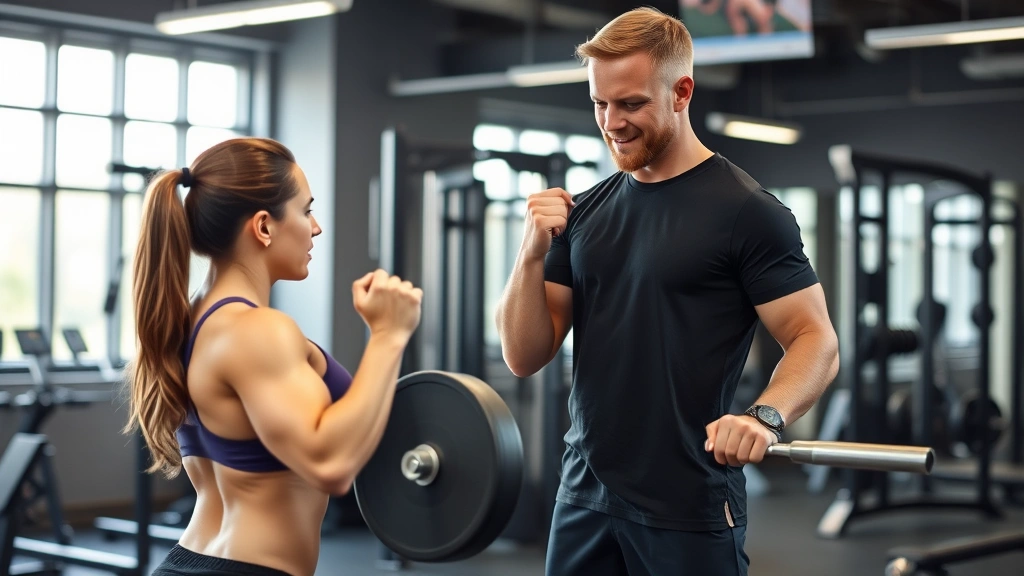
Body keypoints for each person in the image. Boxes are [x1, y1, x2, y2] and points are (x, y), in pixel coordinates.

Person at [495, 7, 839, 576]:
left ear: (682, 92)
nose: (612, 122)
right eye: (600, 104)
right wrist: (530, 253)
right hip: (583, 495)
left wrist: (764, 417)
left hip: (687, 503)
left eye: (631, 104)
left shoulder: (748, 213)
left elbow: (815, 339)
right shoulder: (585, 213)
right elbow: (524, 355)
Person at [123, 137, 423, 576]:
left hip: (196, 560)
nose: (316, 227)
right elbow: (330, 464)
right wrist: (388, 335)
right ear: (264, 226)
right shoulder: (257, 330)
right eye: (306, 210)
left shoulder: (188, 324)